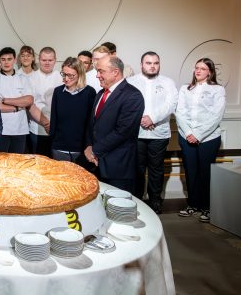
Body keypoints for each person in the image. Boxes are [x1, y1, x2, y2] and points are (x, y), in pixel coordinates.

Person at [175, 58, 226, 223]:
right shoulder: (185, 89)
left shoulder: (217, 90)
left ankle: (207, 208)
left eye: (203, 69)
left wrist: (198, 134)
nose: (198, 71)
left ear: (210, 72)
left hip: (208, 138)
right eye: (197, 68)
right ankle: (193, 205)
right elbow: (180, 112)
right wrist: (189, 133)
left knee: (205, 173)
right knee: (191, 173)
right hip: (185, 136)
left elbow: (216, 115)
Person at [127, 52, 178, 213]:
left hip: (159, 133)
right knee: (137, 169)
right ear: (141, 65)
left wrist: (153, 118)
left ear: (159, 65)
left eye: (155, 63)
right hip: (137, 133)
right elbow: (127, 105)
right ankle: (137, 201)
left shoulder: (168, 82)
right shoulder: (130, 82)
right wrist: (142, 119)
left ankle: (155, 201)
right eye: (148, 63)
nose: (152, 66)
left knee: (156, 169)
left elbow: (171, 104)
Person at [84, 56, 144, 193]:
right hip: (95, 164)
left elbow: (122, 132)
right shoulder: (100, 94)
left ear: (115, 72)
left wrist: (94, 150)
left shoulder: (133, 96)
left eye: (101, 71)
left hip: (118, 168)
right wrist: (88, 146)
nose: (97, 75)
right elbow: (92, 125)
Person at [49, 57, 96, 163]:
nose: (66, 78)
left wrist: (89, 145)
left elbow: (91, 122)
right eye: (64, 74)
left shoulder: (89, 92)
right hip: (59, 147)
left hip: (81, 149)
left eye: (70, 75)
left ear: (80, 74)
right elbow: (54, 120)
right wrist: (53, 143)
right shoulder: (58, 92)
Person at [0, 47, 33, 154]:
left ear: (14, 60)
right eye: (3, 59)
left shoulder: (23, 79)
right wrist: (18, 106)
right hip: (0, 129)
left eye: (9, 59)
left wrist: (6, 100)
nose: (6, 62)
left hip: (20, 129)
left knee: (17, 163)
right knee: (0, 162)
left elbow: (28, 100)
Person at [27, 47, 62, 156]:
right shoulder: (31, 78)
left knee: (56, 164)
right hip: (37, 128)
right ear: (39, 60)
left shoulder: (61, 78)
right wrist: (46, 123)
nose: (47, 63)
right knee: (38, 162)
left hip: (58, 129)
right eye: (44, 60)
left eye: (50, 60)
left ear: (55, 60)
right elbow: (30, 104)